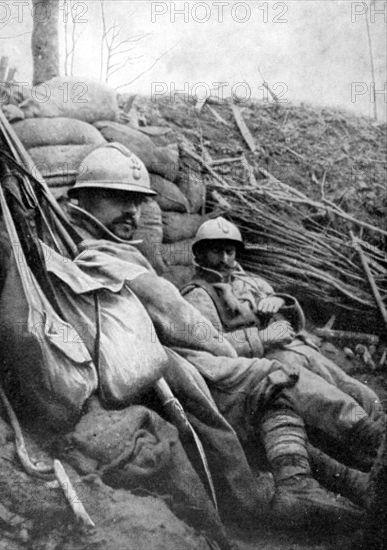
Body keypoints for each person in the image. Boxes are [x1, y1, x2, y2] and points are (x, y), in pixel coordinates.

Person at [65, 142, 373, 529]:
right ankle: (360, 450)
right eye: (116, 197)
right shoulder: (106, 258)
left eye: (136, 201)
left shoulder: (239, 279)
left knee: (301, 385)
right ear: (80, 200)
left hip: (195, 359)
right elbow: (182, 319)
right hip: (167, 366)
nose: (132, 210)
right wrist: (246, 349)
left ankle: (346, 474)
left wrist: (281, 314)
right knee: (271, 380)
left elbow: (285, 318)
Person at [181, 217, 385, 470]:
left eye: (230, 251)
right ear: (200, 254)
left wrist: (282, 303)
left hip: (297, 350)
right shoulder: (197, 297)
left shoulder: (251, 282)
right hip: (263, 365)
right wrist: (262, 338)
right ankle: (369, 444)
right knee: (334, 402)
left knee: (360, 392)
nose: (224, 259)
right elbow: (210, 347)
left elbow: (293, 324)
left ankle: (377, 437)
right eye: (216, 251)